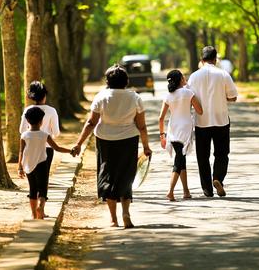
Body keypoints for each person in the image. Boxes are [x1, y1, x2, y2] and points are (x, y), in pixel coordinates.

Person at [71, 65, 152, 228]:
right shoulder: (134, 97)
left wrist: (79, 143)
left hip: (105, 141)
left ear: (107, 81)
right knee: (126, 176)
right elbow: (141, 126)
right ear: (126, 81)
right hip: (129, 140)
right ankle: (126, 213)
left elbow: (91, 122)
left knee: (108, 175)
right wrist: (146, 146)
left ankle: (113, 219)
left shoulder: (101, 97)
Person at [187, 46, 238, 197]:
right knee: (222, 153)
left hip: (201, 122)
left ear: (201, 60)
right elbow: (233, 96)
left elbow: (189, 98)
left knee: (202, 156)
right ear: (215, 59)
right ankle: (218, 179)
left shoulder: (194, 77)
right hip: (221, 119)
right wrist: (223, 97)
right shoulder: (223, 74)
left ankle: (207, 189)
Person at [18, 107, 71, 219]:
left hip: (28, 165)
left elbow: (21, 152)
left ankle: (33, 214)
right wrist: (70, 151)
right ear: (41, 121)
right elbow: (57, 148)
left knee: (32, 188)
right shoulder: (44, 135)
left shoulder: (24, 135)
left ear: (27, 121)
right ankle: (41, 207)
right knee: (42, 188)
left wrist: (20, 167)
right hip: (42, 163)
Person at [158, 70, 203, 201]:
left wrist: (162, 136)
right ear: (180, 80)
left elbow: (161, 118)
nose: (185, 78)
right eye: (183, 77)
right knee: (180, 158)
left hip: (173, 129)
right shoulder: (188, 93)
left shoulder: (168, 96)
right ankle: (170, 191)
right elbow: (200, 111)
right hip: (185, 128)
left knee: (180, 158)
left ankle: (186, 191)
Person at [20, 81, 60, 193]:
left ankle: (34, 199)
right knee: (44, 175)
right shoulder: (52, 111)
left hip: (30, 148)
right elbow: (56, 133)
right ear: (44, 95)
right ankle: (42, 203)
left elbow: (22, 130)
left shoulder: (27, 110)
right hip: (47, 147)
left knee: (32, 176)